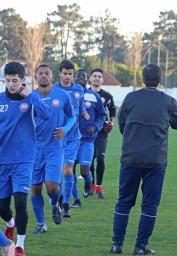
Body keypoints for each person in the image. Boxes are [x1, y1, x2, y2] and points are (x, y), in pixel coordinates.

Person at [110, 64, 177, 255]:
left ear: (142, 78)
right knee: (150, 204)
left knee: (124, 201)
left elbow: (122, 125)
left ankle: (117, 244)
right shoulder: (167, 101)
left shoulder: (130, 97)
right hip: (155, 160)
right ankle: (140, 246)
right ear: (160, 79)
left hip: (131, 158)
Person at [0, 62, 50, 256]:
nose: (11, 84)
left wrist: (30, 96)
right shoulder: (1, 100)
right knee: (2, 206)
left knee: (20, 201)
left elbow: (46, 115)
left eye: (15, 80)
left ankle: (20, 245)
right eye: (8, 80)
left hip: (23, 160)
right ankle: (11, 223)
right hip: (2, 161)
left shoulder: (30, 100)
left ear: (23, 81)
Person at [31, 64, 75, 233]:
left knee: (52, 186)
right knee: (35, 188)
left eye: (46, 73)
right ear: (36, 77)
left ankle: (55, 203)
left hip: (55, 149)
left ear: (51, 76)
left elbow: (72, 116)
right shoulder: (30, 97)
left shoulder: (62, 95)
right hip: (34, 149)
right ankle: (41, 224)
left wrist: (65, 128)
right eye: (40, 73)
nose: (43, 76)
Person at [55, 60, 88, 218]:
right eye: (65, 73)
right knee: (57, 172)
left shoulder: (79, 89)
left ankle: (66, 204)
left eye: (70, 74)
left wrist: (84, 112)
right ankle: (60, 200)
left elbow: (80, 106)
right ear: (59, 73)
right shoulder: (53, 90)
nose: (68, 77)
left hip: (73, 137)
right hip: (56, 138)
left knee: (68, 169)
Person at [71, 69, 105, 204]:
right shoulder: (69, 94)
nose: (81, 79)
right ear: (75, 78)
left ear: (87, 80)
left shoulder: (93, 96)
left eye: (83, 77)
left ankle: (88, 182)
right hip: (71, 140)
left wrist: (95, 127)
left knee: (85, 171)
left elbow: (102, 115)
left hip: (87, 140)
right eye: (78, 77)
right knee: (70, 171)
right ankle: (74, 199)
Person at [89, 68, 116, 199]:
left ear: (102, 80)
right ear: (90, 78)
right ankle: (91, 185)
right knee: (89, 160)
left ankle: (99, 187)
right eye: (94, 76)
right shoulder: (85, 94)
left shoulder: (108, 96)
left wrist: (112, 123)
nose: (97, 78)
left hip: (102, 132)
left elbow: (113, 112)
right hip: (87, 132)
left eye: (99, 76)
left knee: (100, 157)